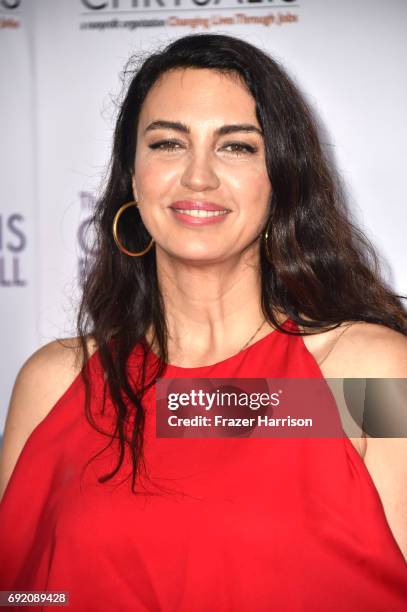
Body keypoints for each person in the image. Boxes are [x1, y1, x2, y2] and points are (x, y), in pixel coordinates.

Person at [0, 33, 406, 611]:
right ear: (132, 176)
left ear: (281, 176)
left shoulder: (366, 374)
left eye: (236, 147)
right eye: (167, 143)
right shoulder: (55, 383)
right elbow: (23, 594)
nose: (198, 177)